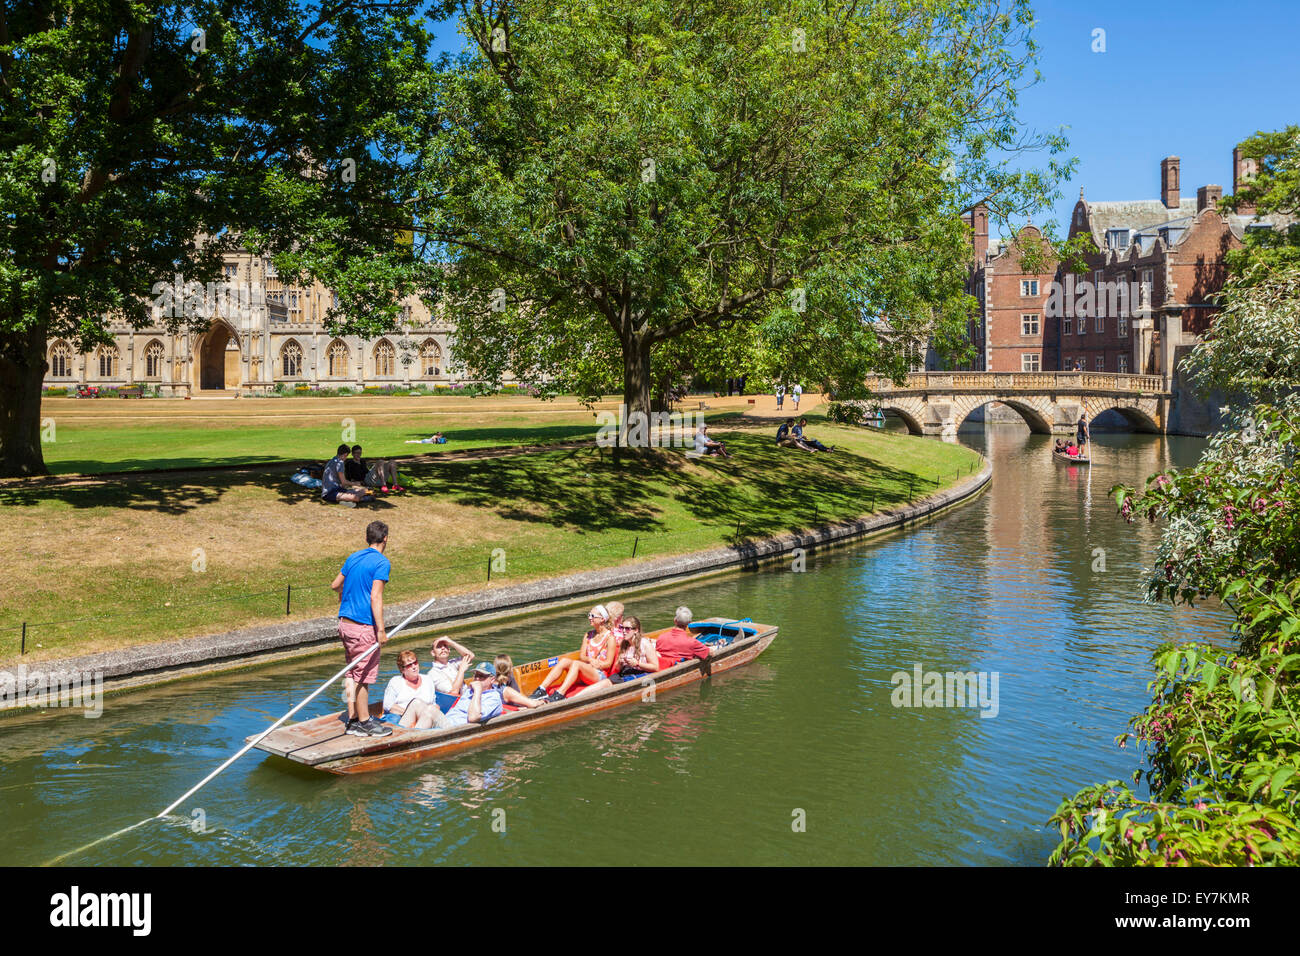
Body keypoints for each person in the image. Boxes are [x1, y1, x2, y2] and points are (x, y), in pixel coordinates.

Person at [332, 520, 393, 737]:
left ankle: (353, 719)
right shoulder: (381, 563)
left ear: (367, 537)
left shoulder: (354, 557)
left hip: (344, 625)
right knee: (364, 675)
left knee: (352, 672)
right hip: (363, 628)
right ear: (385, 538)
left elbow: (335, 584)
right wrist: (381, 630)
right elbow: (375, 596)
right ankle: (365, 722)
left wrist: (342, 595)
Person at [529, 606, 618, 702]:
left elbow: (608, 663)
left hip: (599, 674)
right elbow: (582, 656)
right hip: (587, 669)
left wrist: (598, 663)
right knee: (564, 661)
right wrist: (590, 660)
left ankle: (560, 693)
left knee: (576, 663)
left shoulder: (610, 638)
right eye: (589, 615)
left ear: (602, 619)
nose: (589, 618)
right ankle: (542, 689)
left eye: (592, 616)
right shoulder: (588, 635)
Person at [444, 656, 545, 727]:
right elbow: (531, 704)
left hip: (453, 724)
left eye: (481, 676)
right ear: (510, 670)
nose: (477, 679)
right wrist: (542, 702)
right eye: (476, 675)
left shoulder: (497, 694)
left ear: (492, 678)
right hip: (447, 721)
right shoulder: (506, 691)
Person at [574, 616, 659, 697]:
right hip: (625, 673)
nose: (624, 631)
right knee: (605, 682)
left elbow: (655, 667)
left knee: (606, 684)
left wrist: (637, 664)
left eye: (627, 629)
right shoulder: (624, 644)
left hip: (641, 673)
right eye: (622, 628)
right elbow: (618, 669)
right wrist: (620, 662)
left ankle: (574, 699)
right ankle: (574, 698)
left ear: (636, 630)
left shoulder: (644, 643)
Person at [382, 649, 446, 729]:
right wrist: (414, 714)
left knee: (430, 710)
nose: (414, 667)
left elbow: (433, 704)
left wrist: (423, 715)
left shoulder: (428, 680)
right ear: (402, 669)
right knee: (417, 703)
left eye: (415, 663)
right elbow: (388, 706)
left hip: (425, 719)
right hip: (403, 721)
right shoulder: (395, 682)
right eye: (409, 665)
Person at [654, 606, 723, 668]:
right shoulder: (692, 643)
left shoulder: (661, 637)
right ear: (689, 623)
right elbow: (710, 653)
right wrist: (718, 645)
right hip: (677, 666)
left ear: (675, 621)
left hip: (662, 666)